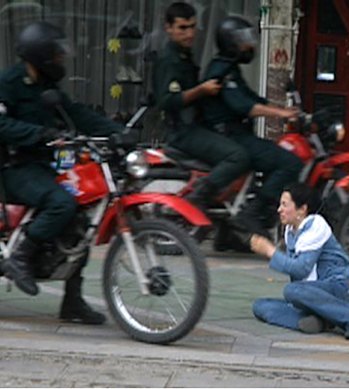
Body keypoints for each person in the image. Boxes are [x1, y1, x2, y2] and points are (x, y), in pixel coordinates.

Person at [0, 21, 127, 323]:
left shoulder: (47, 87)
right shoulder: (9, 83)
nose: (61, 61)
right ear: (41, 55)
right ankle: (19, 257)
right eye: (57, 55)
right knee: (62, 203)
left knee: (81, 218)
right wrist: (40, 133)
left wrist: (118, 132)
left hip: (42, 166)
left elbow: (76, 114)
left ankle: (72, 302)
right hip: (13, 168)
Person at [201, 16, 303, 239]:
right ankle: (252, 213)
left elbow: (252, 98)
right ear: (230, 43)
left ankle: (230, 235)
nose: (250, 45)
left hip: (236, 134)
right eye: (243, 40)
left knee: (274, 156)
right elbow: (243, 105)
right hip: (231, 137)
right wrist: (280, 113)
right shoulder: (222, 71)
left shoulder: (230, 68)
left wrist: (286, 110)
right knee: (290, 163)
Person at [153, 2, 250, 211]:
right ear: (168, 28)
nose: (189, 34)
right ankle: (197, 198)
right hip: (182, 131)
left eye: (192, 27)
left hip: (195, 125)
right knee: (238, 156)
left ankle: (226, 224)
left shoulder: (185, 55)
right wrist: (201, 90)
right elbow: (167, 101)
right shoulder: (168, 60)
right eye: (182, 28)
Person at [250, 183, 349, 339]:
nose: (279, 210)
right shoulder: (290, 231)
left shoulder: (316, 225)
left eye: (284, 205)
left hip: (341, 288)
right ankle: (322, 320)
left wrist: (270, 251)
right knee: (260, 306)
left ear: (302, 209)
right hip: (314, 292)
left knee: (292, 290)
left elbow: (301, 269)